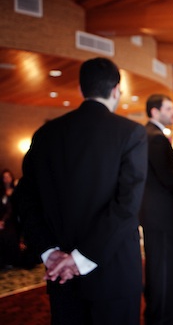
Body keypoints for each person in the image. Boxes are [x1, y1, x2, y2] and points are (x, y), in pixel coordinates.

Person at [15, 57, 147, 325]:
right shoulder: (131, 132)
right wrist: (80, 259)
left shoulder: (45, 134)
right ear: (116, 90)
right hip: (114, 274)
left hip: (61, 276)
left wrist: (50, 252)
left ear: (80, 90)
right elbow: (127, 207)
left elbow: (25, 199)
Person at [140, 94, 173, 325]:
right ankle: (162, 317)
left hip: (154, 215)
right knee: (165, 269)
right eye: (169, 109)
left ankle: (157, 313)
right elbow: (170, 178)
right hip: (165, 216)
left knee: (157, 267)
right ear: (154, 111)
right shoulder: (156, 139)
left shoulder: (146, 135)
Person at [0, 169, 20, 269]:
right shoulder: (1, 192)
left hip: (14, 217)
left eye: (8, 176)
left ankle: (13, 260)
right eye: (4, 177)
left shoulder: (16, 188)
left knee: (9, 232)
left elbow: (15, 207)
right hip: (4, 219)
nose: (7, 179)